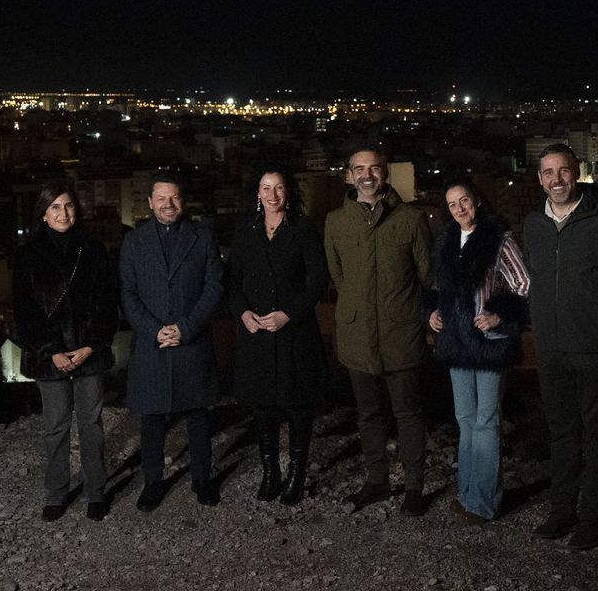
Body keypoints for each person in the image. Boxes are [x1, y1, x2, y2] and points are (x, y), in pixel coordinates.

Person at [519, 143, 598, 550]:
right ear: (540, 179)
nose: (556, 179)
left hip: (594, 347)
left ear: (577, 173)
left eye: (563, 171)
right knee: (562, 433)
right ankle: (563, 511)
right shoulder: (533, 225)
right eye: (548, 172)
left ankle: (593, 517)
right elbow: (532, 279)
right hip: (551, 347)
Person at [323, 147, 434, 515]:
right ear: (349, 176)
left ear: (384, 173)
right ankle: (377, 482)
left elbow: (425, 276)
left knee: (408, 413)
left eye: (373, 168)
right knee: (368, 414)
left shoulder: (410, 220)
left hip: (401, 335)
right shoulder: (336, 222)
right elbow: (338, 277)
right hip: (358, 338)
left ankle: (415, 486)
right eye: (359, 169)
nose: (366, 174)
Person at [10, 182, 119, 521]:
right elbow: (24, 313)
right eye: (55, 207)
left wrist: (91, 345)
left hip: (89, 352)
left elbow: (107, 303)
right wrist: (51, 351)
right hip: (50, 358)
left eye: (69, 206)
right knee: (55, 426)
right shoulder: (27, 255)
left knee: (91, 424)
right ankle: (56, 492)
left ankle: (95, 490)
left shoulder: (93, 249)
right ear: (42, 213)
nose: (63, 213)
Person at [118, 171, 224, 510]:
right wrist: (153, 330)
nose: (168, 204)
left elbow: (214, 287)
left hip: (191, 340)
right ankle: (153, 482)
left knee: (197, 415)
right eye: (161, 198)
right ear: (149, 202)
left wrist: (185, 327)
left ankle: (202, 479)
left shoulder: (202, 237)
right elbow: (128, 293)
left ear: (183, 200)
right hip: (152, 344)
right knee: (151, 418)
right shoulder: (134, 242)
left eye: (174, 197)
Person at [225, 167, 329, 505]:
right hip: (255, 333)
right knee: (263, 408)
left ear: (288, 192)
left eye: (279, 188)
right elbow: (232, 282)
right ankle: (271, 473)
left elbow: (317, 281)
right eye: (266, 188)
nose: (272, 195)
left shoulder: (303, 228)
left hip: (293, 332)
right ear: (257, 193)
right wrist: (243, 314)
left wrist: (288, 314)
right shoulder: (245, 231)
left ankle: (296, 474)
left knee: (298, 407)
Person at [428, 178, 528, 523]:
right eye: (453, 204)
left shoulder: (499, 241)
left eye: (464, 201)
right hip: (457, 343)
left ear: (477, 201)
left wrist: (498, 314)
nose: (459, 209)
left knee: (486, 421)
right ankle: (468, 494)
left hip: (488, 345)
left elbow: (523, 284)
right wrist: (435, 313)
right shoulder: (448, 242)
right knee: (466, 420)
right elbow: (440, 287)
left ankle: (484, 503)